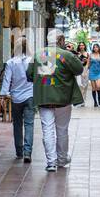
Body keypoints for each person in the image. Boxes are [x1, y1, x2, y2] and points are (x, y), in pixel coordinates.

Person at [26, 40, 84, 171]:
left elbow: (29, 74)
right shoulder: (66, 55)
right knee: (62, 130)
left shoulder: (37, 54)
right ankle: (62, 159)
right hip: (63, 97)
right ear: (61, 41)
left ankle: (51, 162)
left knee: (47, 130)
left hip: (44, 97)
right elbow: (79, 69)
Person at [0, 35, 34, 164]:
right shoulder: (33, 61)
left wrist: (3, 96)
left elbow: (7, 80)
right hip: (30, 96)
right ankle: (27, 152)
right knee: (29, 124)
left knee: (17, 125)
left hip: (16, 98)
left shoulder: (11, 62)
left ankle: (19, 152)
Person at [87, 42, 100, 107]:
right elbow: (88, 64)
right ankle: (95, 101)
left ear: (98, 48)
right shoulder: (90, 55)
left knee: (98, 86)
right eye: (94, 47)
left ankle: (99, 98)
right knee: (93, 88)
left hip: (99, 72)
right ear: (93, 48)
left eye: (96, 47)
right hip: (92, 72)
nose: (95, 48)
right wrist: (86, 71)